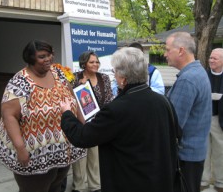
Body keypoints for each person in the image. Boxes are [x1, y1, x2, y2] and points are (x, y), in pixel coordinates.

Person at [60, 47, 179, 192]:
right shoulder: (164, 101)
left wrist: (66, 113)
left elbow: (82, 137)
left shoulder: (116, 109)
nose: (114, 76)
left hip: (130, 182)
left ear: (123, 79)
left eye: (115, 72)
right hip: (162, 181)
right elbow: (179, 134)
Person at [0, 40, 86, 192]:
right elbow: (9, 116)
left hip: (62, 150)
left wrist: (83, 126)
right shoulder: (20, 82)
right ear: (30, 59)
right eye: (42, 56)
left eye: (50, 54)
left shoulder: (58, 74)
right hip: (33, 154)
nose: (48, 59)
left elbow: (73, 99)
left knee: (56, 186)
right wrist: (20, 149)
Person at [164, 32, 212, 192]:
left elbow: (172, 125)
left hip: (185, 158)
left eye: (167, 49)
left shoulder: (187, 80)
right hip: (194, 154)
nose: (164, 54)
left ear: (181, 51)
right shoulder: (198, 72)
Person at [70, 51, 113, 192]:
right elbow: (69, 99)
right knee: (80, 157)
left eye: (97, 62)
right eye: (92, 62)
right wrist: (79, 87)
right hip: (80, 124)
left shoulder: (104, 78)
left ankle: (95, 186)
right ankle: (79, 187)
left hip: (97, 123)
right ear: (84, 64)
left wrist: (100, 117)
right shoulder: (75, 78)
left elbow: (108, 99)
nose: (95, 64)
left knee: (95, 156)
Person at [201, 48, 223, 192]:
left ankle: (220, 182)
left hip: (219, 120)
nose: (211, 61)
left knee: (220, 151)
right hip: (203, 118)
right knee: (204, 150)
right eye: (210, 58)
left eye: (215, 58)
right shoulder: (203, 75)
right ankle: (203, 180)